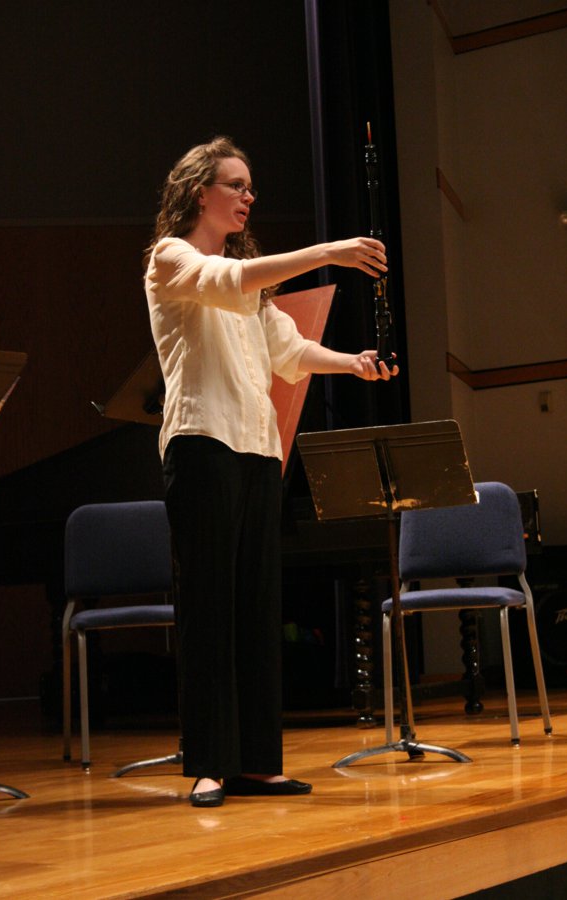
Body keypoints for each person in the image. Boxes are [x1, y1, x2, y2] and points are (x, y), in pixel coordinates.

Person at [144, 136, 398, 808]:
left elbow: (288, 352)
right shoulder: (172, 258)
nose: (248, 197)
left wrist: (353, 363)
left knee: (257, 611)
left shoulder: (248, 279)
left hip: (258, 450)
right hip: (202, 444)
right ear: (199, 191)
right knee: (209, 608)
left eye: (250, 186)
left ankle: (256, 763)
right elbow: (225, 285)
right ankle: (208, 763)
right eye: (236, 185)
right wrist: (328, 252)